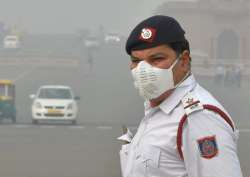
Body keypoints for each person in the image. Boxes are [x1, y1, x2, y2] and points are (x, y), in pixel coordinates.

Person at [118, 15, 243, 177]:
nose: (143, 70)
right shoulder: (158, 109)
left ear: (183, 61)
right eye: (136, 61)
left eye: (156, 59)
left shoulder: (199, 118)